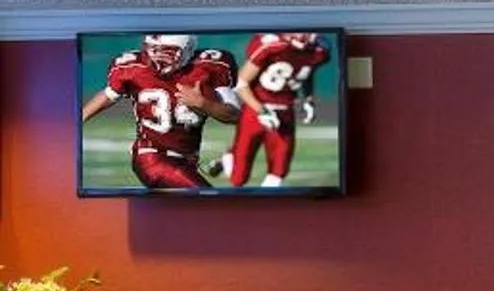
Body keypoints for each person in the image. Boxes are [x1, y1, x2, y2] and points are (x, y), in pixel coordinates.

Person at [79, 33, 239, 190]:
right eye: (152, 50)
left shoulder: (210, 67)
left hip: (186, 161)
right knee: (208, 199)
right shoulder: (133, 68)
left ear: (186, 50)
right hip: (151, 157)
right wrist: (77, 119)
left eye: (167, 52)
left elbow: (235, 116)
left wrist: (203, 103)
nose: (157, 58)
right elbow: (109, 95)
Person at [219, 31, 329, 186]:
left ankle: (264, 209)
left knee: (278, 173)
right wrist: (261, 111)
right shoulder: (271, 46)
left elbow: (305, 72)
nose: (303, 35)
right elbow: (241, 82)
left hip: (285, 111)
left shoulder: (319, 51)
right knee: (239, 178)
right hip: (256, 109)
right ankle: (229, 157)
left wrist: (308, 99)